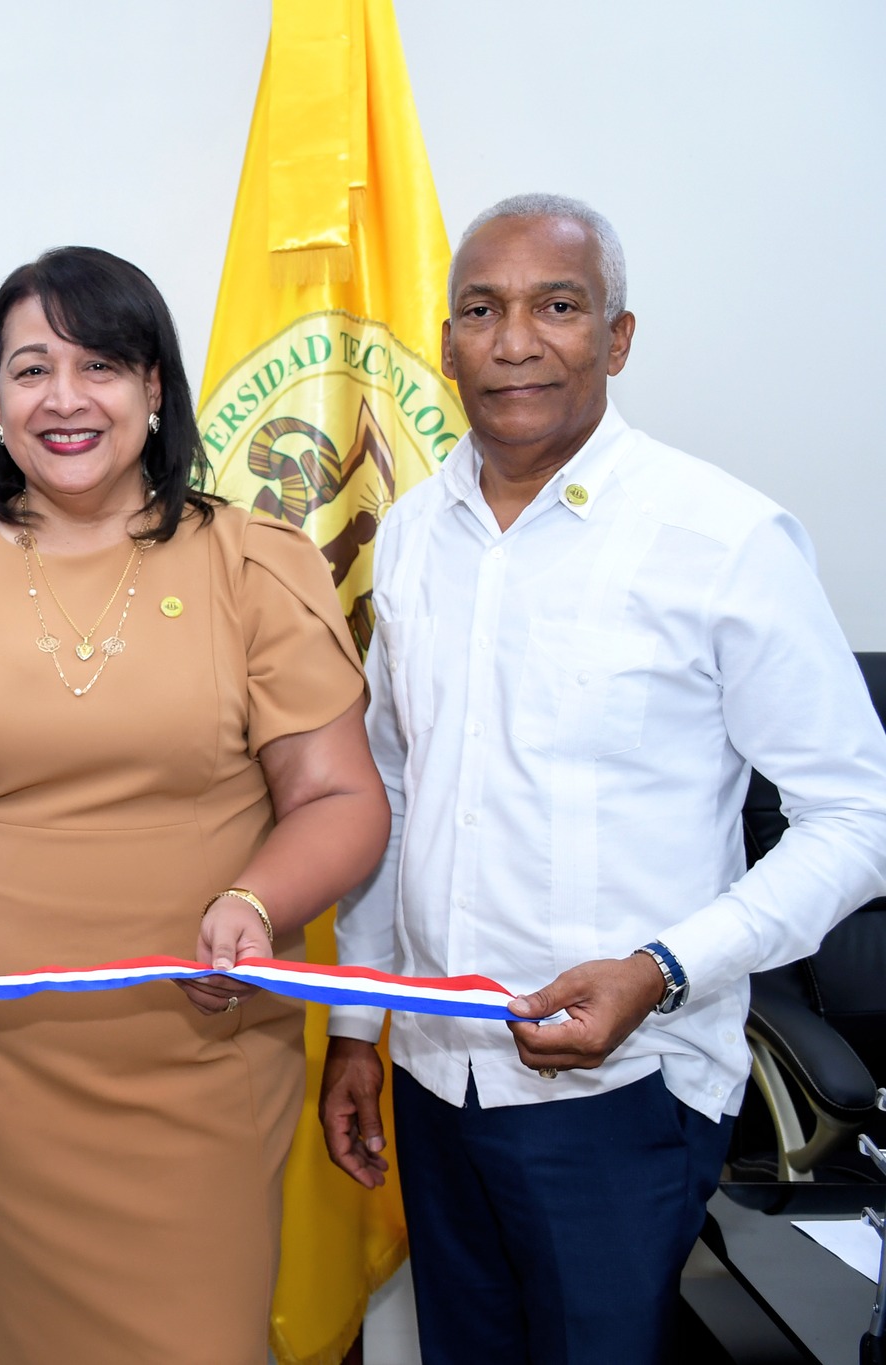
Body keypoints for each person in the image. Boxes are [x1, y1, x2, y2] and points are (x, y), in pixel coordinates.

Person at [319, 194, 886, 1364]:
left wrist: (659, 970)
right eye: (481, 310)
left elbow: (855, 817)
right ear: (444, 344)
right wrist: (355, 1028)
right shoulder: (413, 535)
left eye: (556, 307)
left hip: (622, 1094)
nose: (514, 342)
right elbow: (394, 794)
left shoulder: (721, 539)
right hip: (434, 1078)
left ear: (616, 339)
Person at [0, 246, 392, 1364]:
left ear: (153, 388)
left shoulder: (254, 566)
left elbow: (339, 797)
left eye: (100, 365)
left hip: (205, 1037)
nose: (65, 397)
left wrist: (253, 901)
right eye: (31, 369)